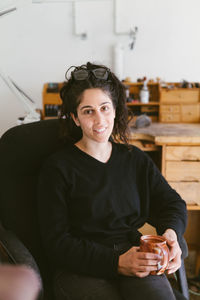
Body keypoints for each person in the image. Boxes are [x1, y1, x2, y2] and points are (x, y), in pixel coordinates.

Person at [37, 62, 187, 300]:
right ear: (75, 118)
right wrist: (116, 262)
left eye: (105, 108)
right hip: (80, 267)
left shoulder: (134, 159)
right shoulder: (58, 168)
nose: (99, 120)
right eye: (88, 111)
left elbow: (172, 203)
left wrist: (171, 235)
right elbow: (57, 243)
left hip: (135, 253)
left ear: (115, 110)